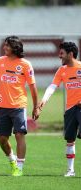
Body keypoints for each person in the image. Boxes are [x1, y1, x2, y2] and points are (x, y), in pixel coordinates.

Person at [0, 36, 39, 177]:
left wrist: (36, 107)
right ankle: (12, 160)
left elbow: (33, 88)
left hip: (19, 106)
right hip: (2, 107)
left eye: (7, 45)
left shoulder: (25, 64)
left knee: (19, 134)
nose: (4, 47)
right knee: (2, 139)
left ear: (15, 47)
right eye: (4, 45)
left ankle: (19, 167)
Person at [37, 42, 81, 177]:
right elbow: (52, 86)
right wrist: (43, 100)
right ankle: (70, 170)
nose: (59, 56)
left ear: (70, 54)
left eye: (61, 53)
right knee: (70, 140)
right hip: (70, 109)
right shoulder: (62, 70)